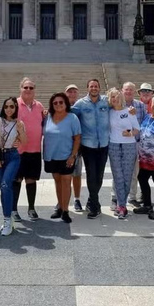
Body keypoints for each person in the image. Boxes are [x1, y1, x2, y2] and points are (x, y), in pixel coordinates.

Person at [71, 79, 110, 219]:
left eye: (96, 86)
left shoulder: (106, 101)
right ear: (87, 88)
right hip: (88, 145)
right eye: (91, 86)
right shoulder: (81, 103)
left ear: (99, 88)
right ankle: (94, 205)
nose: (94, 88)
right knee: (91, 174)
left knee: (99, 176)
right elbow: (69, 113)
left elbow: (118, 107)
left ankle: (91, 201)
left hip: (104, 144)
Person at [43, 92, 82, 224]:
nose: (58, 105)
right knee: (57, 181)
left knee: (66, 181)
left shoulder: (72, 118)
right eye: (55, 103)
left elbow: (77, 138)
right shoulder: (47, 117)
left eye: (61, 102)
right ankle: (60, 206)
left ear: (65, 103)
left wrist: (73, 156)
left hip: (67, 156)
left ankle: (65, 210)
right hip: (51, 155)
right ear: (51, 105)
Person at [0, 97, 26, 236]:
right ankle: (8, 218)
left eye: (12, 106)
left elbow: (25, 141)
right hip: (0, 155)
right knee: (3, 188)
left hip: (13, 156)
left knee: (6, 185)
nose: (9, 109)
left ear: (16, 108)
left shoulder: (19, 123)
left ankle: (6, 220)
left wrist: (20, 131)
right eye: (6, 107)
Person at [106, 88, 141, 219]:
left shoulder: (129, 111)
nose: (114, 99)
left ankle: (122, 205)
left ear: (120, 96)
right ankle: (122, 205)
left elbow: (138, 129)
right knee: (118, 177)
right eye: (111, 97)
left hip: (129, 146)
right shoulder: (109, 112)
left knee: (127, 176)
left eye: (116, 96)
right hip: (113, 145)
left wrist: (130, 133)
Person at [14, 77, 44, 222]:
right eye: (25, 87)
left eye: (31, 88)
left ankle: (31, 208)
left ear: (34, 90)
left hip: (35, 149)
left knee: (31, 180)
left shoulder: (39, 106)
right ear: (20, 89)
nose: (28, 90)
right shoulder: (14, 104)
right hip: (18, 150)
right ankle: (13, 209)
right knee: (17, 179)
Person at [121, 82, 147, 205]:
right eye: (126, 89)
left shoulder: (140, 105)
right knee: (119, 171)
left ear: (134, 91)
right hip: (120, 142)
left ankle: (132, 197)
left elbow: (144, 124)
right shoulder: (117, 104)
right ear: (122, 91)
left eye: (131, 90)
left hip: (135, 142)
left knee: (134, 172)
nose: (128, 92)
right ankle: (116, 197)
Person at [65, 84, 84, 212]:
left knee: (76, 175)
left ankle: (77, 199)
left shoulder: (81, 107)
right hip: (63, 146)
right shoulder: (60, 106)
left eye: (74, 92)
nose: (72, 94)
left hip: (77, 146)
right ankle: (61, 199)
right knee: (63, 176)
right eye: (69, 92)